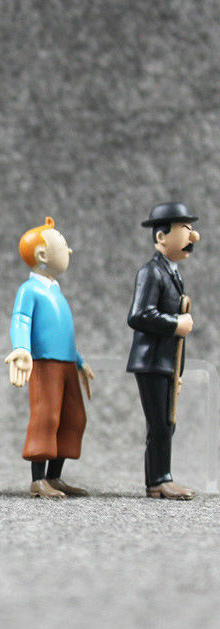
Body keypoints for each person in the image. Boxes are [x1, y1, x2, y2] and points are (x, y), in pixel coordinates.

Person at [5, 217, 94, 498]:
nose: (69, 251)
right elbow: (21, 319)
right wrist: (22, 348)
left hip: (66, 363)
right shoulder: (29, 289)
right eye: (63, 244)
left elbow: (62, 333)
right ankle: (38, 479)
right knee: (47, 416)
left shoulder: (55, 290)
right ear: (43, 254)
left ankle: (55, 476)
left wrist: (79, 361)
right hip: (44, 363)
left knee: (73, 417)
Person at [127, 202, 200, 499]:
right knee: (159, 423)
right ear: (161, 237)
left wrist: (177, 370)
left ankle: (160, 479)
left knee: (167, 423)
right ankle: (158, 480)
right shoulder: (151, 272)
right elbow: (139, 315)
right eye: (185, 230)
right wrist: (175, 324)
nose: (193, 236)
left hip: (167, 364)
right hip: (152, 362)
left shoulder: (172, 273)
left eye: (191, 229)